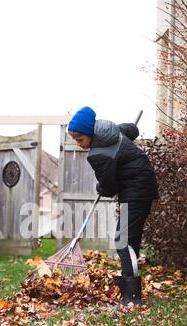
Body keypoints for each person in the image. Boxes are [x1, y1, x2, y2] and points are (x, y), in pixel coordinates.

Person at [68, 106, 159, 305]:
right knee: (128, 239)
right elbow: (132, 131)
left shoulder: (98, 154)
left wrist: (100, 187)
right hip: (139, 186)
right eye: (75, 140)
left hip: (136, 189)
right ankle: (128, 283)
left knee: (122, 239)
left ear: (90, 133)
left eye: (81, 139)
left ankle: (132, 295)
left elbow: (109, 188)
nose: (80, 145)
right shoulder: (112, 130)